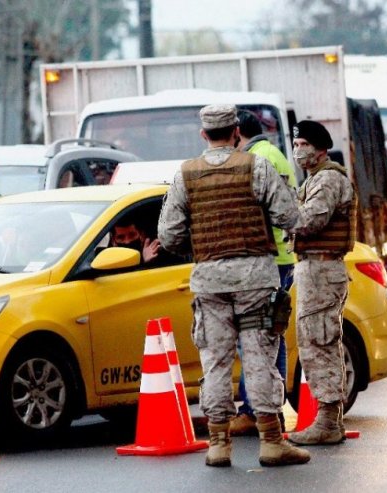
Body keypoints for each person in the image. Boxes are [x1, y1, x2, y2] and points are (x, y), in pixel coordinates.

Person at [157, 104, 309, 468]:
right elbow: (290, 216)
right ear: (236, 132)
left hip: (209, 282)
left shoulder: (186, 174)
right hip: (255, 278)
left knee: (215, 362)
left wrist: (201, 246)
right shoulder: (257, 166)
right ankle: (271, 441)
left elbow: (168, 234)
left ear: (203, 134)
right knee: (259, 359)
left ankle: (218, 444)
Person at [286, 120, 357, 446]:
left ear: (321, 149)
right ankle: (329, 420)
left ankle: (328, 421)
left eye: (304, 145)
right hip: (316, 270)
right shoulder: (315, 178)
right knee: (317, 341)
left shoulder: (328, 179)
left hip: (322, 270)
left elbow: (309, 220)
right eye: (296, 144)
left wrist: (281, 210)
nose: (298, 150)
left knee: (319, 342)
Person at [228, 110, 298, 436]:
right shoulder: (273, 154)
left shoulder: (256, 159)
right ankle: (269, 409)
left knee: (256, 337)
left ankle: (255, 410)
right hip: (281, 256)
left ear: (238, 134)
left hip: (265, 258)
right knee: (272, 336)